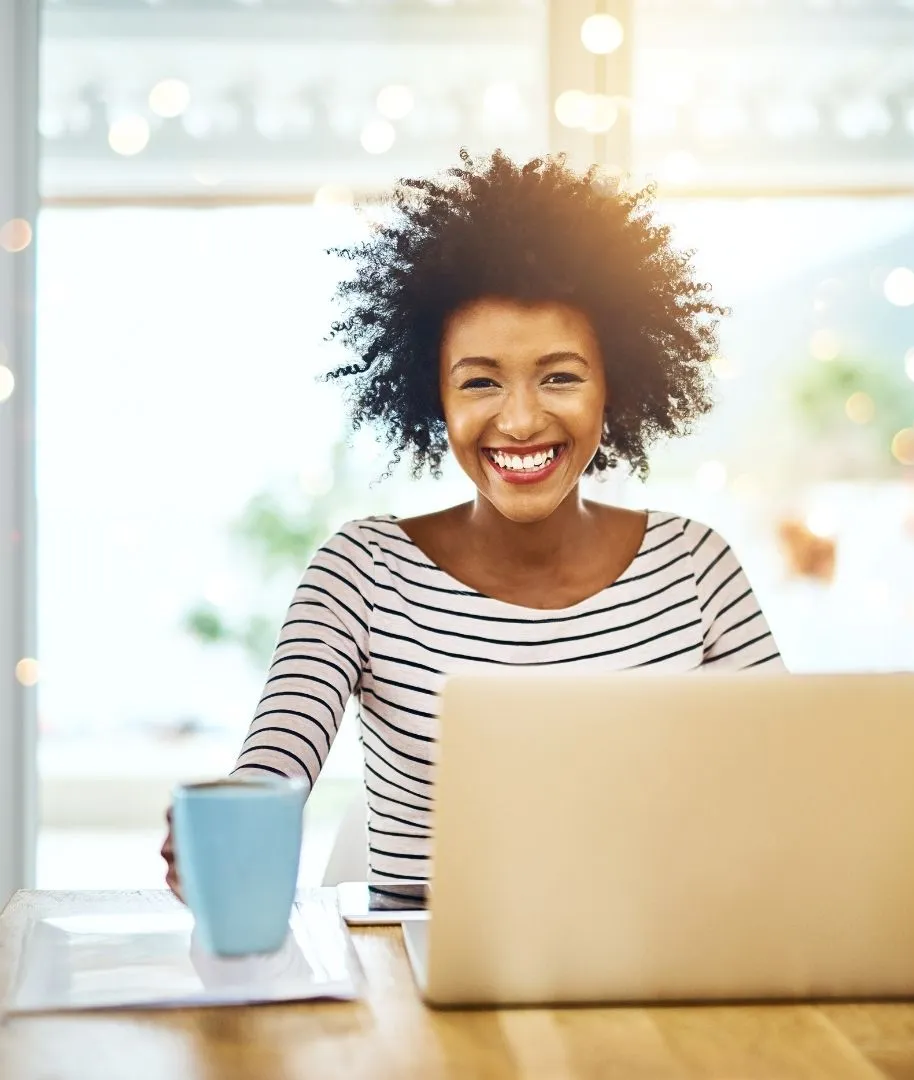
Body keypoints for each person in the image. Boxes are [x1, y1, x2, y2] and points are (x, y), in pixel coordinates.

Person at [162, 150, 785, 896]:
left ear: (614, 384)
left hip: (650, 968)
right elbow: (274, 766)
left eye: (560, 376)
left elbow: (786, 784)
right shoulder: (362, 573)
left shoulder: (693, 566)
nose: (521, 420)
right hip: (415, 983)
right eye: (480, 381)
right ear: (433, 396)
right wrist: (229, 827)